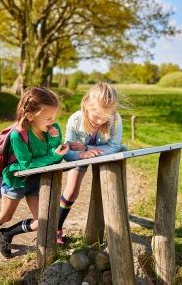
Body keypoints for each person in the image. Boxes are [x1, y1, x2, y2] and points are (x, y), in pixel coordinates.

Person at [0, 87, 69, 258]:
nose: (53, 121)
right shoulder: (18, 135)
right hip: (16, 179)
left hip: (36, 180)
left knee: (41, 220)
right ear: (30, 116)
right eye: (48, 117)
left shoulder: (52, 128)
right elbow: (28, 164)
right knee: (6, 215)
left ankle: (6, 234)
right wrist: (53, 155)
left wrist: (54, 141)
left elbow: (56, 160)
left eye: (54, 117)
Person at [58, 82, 123, 244]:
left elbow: (114, 146)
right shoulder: (75, 119)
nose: (100, 121)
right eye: (96, 116)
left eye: (105, 117)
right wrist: (82, 153)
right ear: (87, 105)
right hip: (81, 156)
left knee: (110, 187)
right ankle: (56, 227)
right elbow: (68, 152)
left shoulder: (115, 119)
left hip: (105, 154)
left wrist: (87, 147)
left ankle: (115, 229)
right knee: (72, 190)